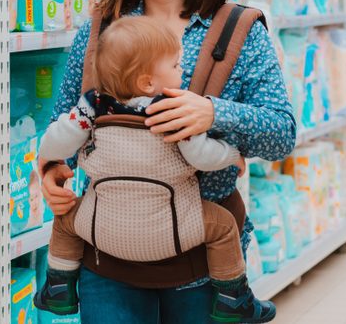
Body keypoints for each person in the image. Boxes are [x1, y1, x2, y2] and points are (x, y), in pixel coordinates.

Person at [39, 0, 295, 323]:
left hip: (201, 266)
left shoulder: (238, 32)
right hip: (108, 257)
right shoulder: (101, 31)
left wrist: (213, 112)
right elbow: (64, 122)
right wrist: (50, 172)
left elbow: (282, 135)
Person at [35, 17, 272, 322]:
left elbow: (56, 142)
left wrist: (51, 160)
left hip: (104, 231)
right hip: (173, 231)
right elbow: (202, 156)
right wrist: (232, 155)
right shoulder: (170, 110)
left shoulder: (91, 106)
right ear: (148, 82)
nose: (182, 71)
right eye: (175, 66)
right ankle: (233, 296)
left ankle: (59, 286)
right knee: (224, 225)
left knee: (66, 220)